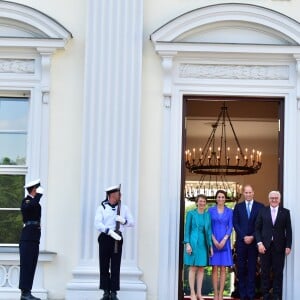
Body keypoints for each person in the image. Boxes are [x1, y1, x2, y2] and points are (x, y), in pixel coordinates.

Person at [94, 184, 134, 300]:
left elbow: (132, 222)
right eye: (118, 194)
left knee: (116, 266)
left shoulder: (124, 208)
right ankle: (106, 292)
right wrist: (109, 231)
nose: (120, 195)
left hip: (118, 239)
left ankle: (114, 292)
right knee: (104, 264)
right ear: (111, 195)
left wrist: (123, 221)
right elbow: (97, 223)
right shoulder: (102, 207)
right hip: (105, 237)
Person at [255, 190, 292, 300]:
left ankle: (276, 296)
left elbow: (288, 230)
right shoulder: (262, 211)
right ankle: (265, 296)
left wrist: (288, 246)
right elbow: (257, 229)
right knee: (265, 273)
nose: (274, 200)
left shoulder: (285, 212)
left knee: (278, 273)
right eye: (272, 198)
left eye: (276, 198)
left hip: (279, 248)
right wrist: (259, 243)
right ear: (269, 199)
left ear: (279, 200)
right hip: (264, 247)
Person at [233, 184, 264, 300]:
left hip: (254, 242)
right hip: (241, 243)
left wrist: (252, 236)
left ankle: (251, 295)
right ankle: (242, 295)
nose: (248, 194)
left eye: (250, 192)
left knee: (251, 269)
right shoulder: (238, 207)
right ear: (243, 194)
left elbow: (261, 224)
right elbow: (235, 223)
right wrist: (243, 236)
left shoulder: (260, 207)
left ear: (253, 192)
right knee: (241, 269)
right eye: (246, 192)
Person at [184, 194, 213, 300]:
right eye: (200, 201)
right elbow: (187, 230)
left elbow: (209, 231)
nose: (202, 203)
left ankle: (199, 294)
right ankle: (192, 293)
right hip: (193, 242)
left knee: (201, 268)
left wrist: (210, 246)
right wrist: (187, 244)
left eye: (204, 201)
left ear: (205, 203)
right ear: (197, 202)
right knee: (193, 268)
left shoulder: (207, 215)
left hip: (203, 243)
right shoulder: (191, 214)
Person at [19, 179, 44, 300]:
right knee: (27, 265)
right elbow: (29, 207)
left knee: (32, 265)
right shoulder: (27, 201)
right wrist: (37, 196)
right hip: (27, 238)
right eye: (37, 189)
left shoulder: (34, 202)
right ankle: (24, 293)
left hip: (34, 238)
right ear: (34, 189)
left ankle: (28, 291)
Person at [208, 190, 233, 300]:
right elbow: (208, 226)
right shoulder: (210, 210)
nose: (221, 199)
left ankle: (221, 295)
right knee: (214, 268)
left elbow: (231, 226)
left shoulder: (230, 211)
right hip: (213, 240)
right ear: (216, 198)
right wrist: (213, 240)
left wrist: (224, 239)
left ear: (225, 198)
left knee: (223, 269)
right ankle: (215, 295)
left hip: (225, 241)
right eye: (219, 197)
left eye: (223, 197)